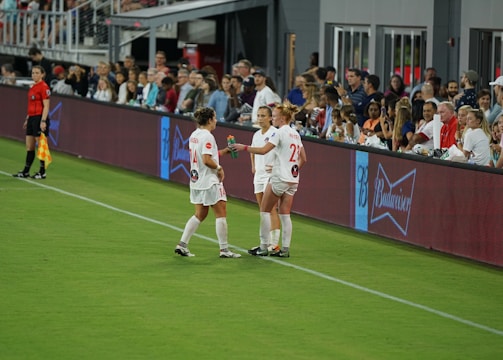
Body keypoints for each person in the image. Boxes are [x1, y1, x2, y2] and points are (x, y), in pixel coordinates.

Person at [232, 103, 307, 258]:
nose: (273, 118)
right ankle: (285, 249)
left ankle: (263, 246)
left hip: (279, 178)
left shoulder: (279, 133)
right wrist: (292, 170)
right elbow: (304, 159)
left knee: (265, 210)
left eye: (274, 115)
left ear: (283, 117)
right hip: (293, 179)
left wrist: (243, 147)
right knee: (285, 214)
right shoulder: (295, 134)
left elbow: (263, 150)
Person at [174, 107, 241, 258]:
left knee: (200, 213)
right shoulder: (207, 136)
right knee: (221, 212)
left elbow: (205, 155)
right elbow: (206, 159)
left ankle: (182, 244)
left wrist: (223, 152)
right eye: (215, 118)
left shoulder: (194, 135)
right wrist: (219, 167)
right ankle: (224, 250)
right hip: (209, 180)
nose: (216, 121)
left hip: (196, 179)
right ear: (209, 119)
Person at [249, 106, 281, 252]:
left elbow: (282, 152)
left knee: (271, 208)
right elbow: (253, 150)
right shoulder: (256, 134)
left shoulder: (275, 133)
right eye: (258, 115)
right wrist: (253, 166)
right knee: (262, 209)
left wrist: (276, 167)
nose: (260, 118)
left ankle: (274, 243)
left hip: (270, 175)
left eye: (263, 116)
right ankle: (265, 242)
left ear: (270, 118)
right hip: (259, 175)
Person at [13, 65, 51, 179]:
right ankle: (26, 171)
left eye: (37, 73)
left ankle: (42, 171)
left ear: (42, 74)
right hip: (32, 118)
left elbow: (46, 106)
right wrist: (27, 118)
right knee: (29, 146)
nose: (34, 75)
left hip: (39, 118)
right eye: (33, 73)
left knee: (41, 145)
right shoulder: (32, 87)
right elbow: (31, 105)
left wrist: (43, 121)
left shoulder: (44, 87)